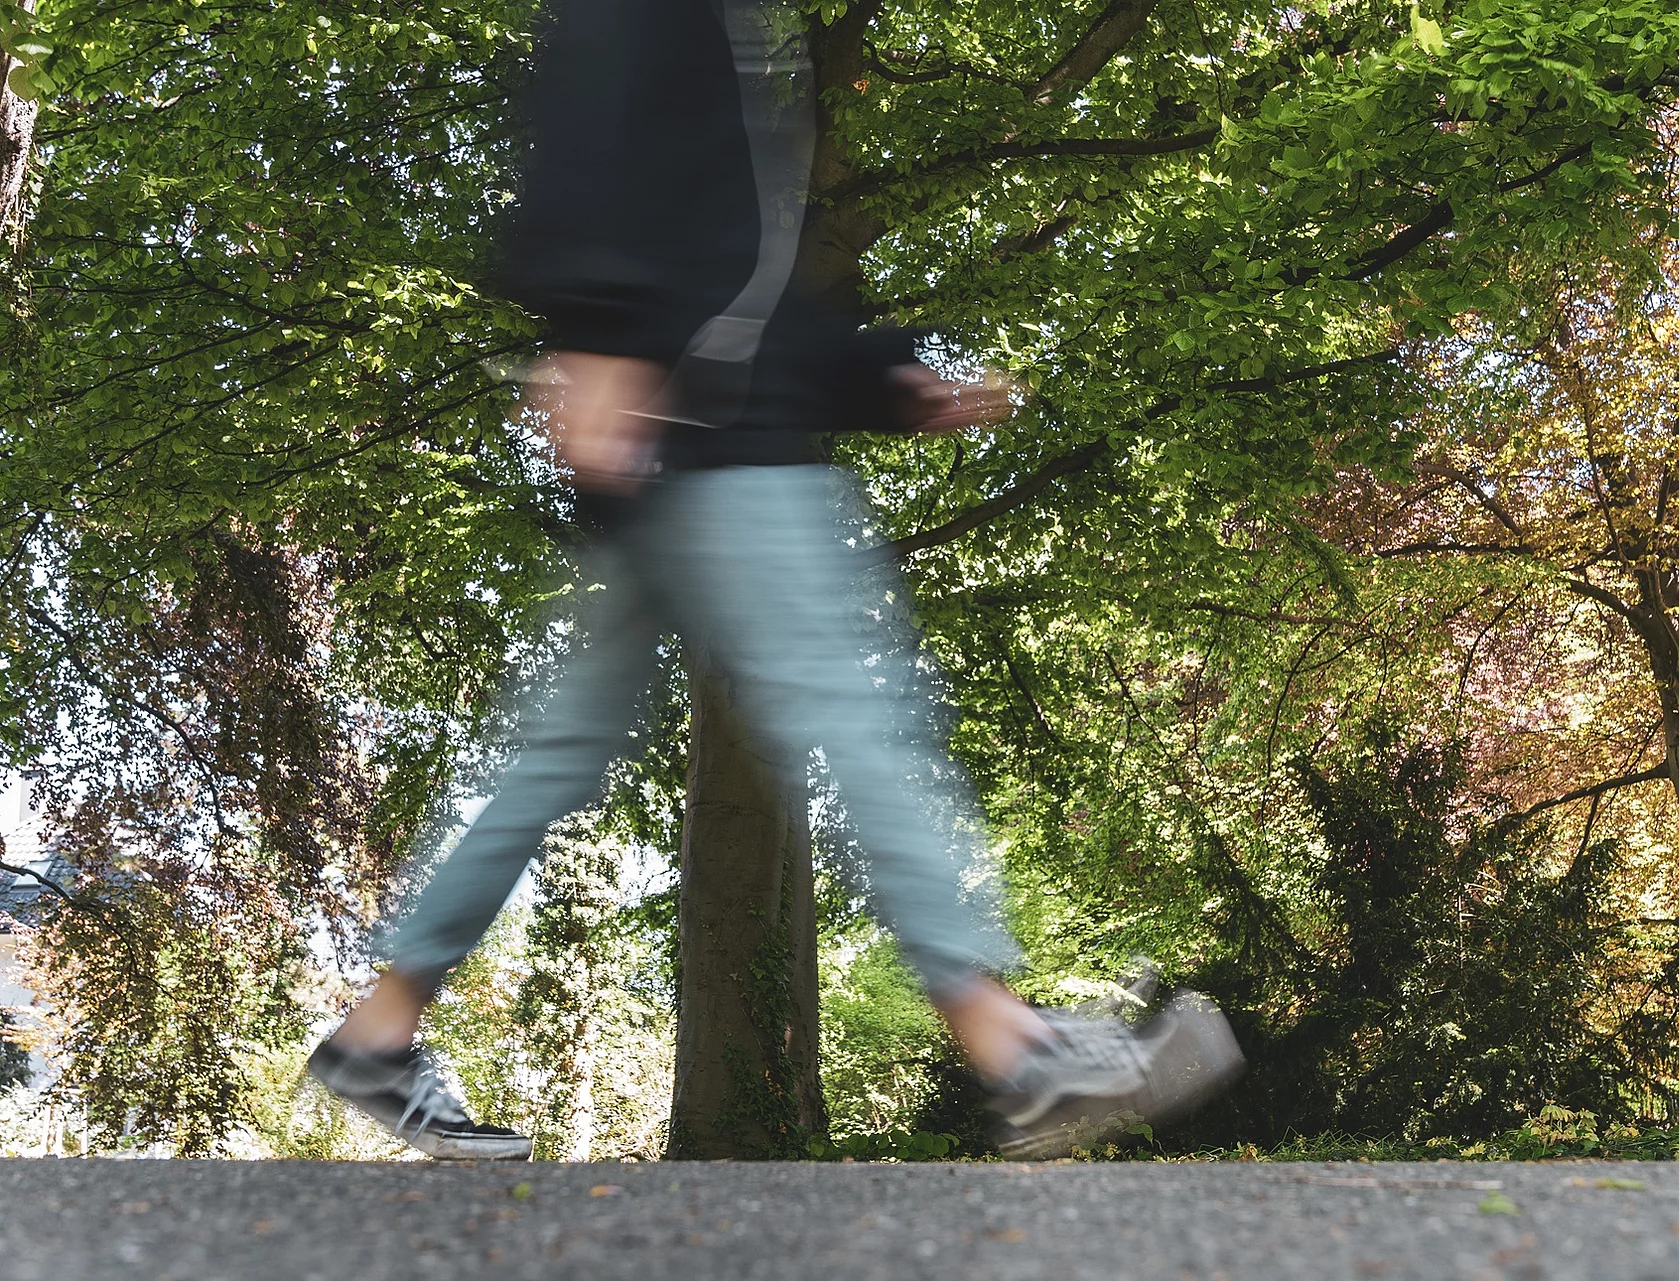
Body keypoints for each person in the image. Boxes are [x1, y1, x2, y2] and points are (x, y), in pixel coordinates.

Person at [305, 0, 1241, 1161]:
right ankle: (1015, 1049)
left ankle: (377, 1036)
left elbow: (744, 293)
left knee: (554, 756)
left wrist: (882, 379)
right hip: (696, 444)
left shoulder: (750, 39)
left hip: (678, 442)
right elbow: (580, 128)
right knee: (857, 708)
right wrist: (595, 334)